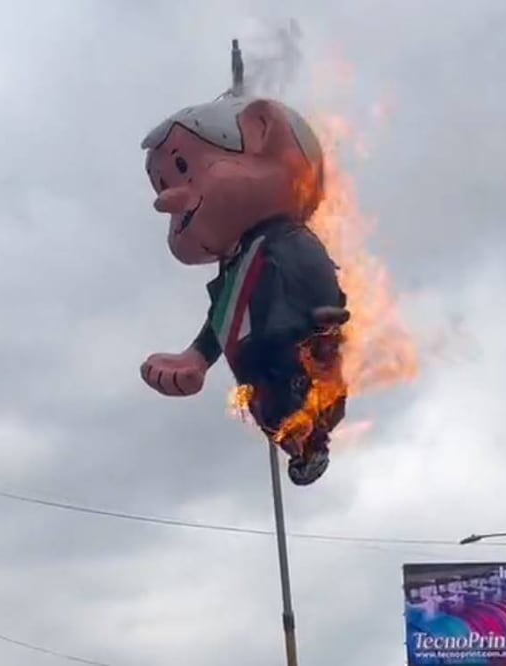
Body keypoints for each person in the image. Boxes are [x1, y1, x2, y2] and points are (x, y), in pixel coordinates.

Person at [137, 93, 348, 485]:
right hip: (258, 373)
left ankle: (310, 438)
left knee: (299, 393)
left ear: (261, 132)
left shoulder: (286, 241)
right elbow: (221, 319)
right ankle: (299, 444)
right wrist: (196, 358)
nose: (168, 200)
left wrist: (323, 321)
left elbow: (315, 276)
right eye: (164, 185)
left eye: (184, 169)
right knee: (270, 406)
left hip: (297, 352)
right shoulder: (235, 268)